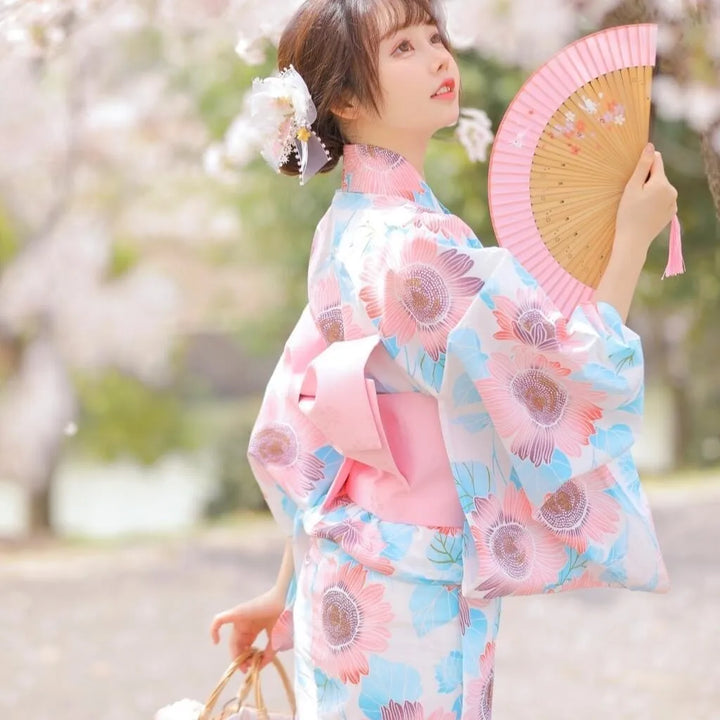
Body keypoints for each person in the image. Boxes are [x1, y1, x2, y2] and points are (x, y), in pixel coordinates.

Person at [209, 1, 677, 717]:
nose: (437, 58)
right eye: (403, 48)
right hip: (411, 586)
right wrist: (630, 242)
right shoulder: (415, 244)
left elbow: (316, 431)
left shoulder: (346, 229)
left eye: (435, 37)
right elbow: (559, 377)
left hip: (345, 577)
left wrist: (287, 594)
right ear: (342, 99)